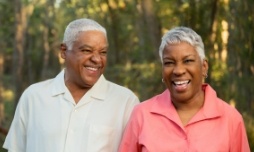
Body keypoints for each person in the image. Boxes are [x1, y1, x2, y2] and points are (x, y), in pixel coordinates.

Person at [3, 18, 139, 152]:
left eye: (103, 52)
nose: (97, 59)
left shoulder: (125, 102)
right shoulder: (33, 97)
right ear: (64, 51)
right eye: (87, 50)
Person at [119, 26, 250, 152]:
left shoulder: (231, 119)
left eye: (188, 61)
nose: (178, 71)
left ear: (204, 67)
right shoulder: (141, 115)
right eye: (169, 63)